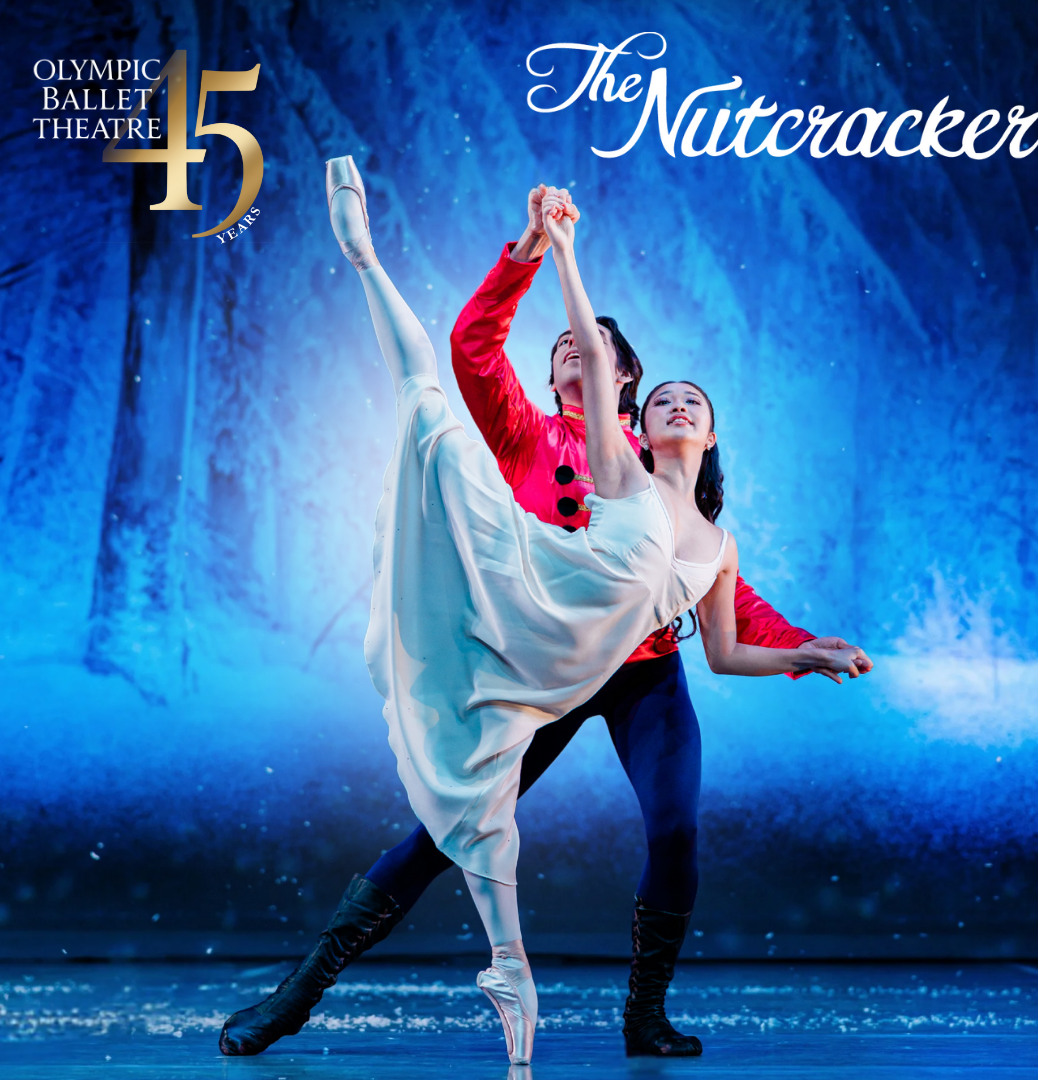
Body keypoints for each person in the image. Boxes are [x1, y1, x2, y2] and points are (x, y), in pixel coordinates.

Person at [219, 164, 869, 1064]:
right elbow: (473, 347)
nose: (576, 349)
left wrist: (799, 645)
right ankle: (296, 995)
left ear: (630, 380)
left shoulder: (657, 465)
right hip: (543, 664)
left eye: (592, 345)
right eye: (565, 344)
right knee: (447, 830)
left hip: (641, 670)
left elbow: (720, 585)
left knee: (678, 827)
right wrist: (532, 250)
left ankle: (644, 1015)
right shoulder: (528, 431)